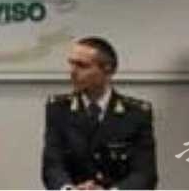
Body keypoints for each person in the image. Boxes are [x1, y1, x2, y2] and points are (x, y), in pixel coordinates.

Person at [42, 36, 157, 190]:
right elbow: (52, 166)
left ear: (107, 70)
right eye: (71, 64)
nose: (72, 72)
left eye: (82, 66)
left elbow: (145, 174)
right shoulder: (59, 109)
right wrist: (69, 189)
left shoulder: (136, 114)